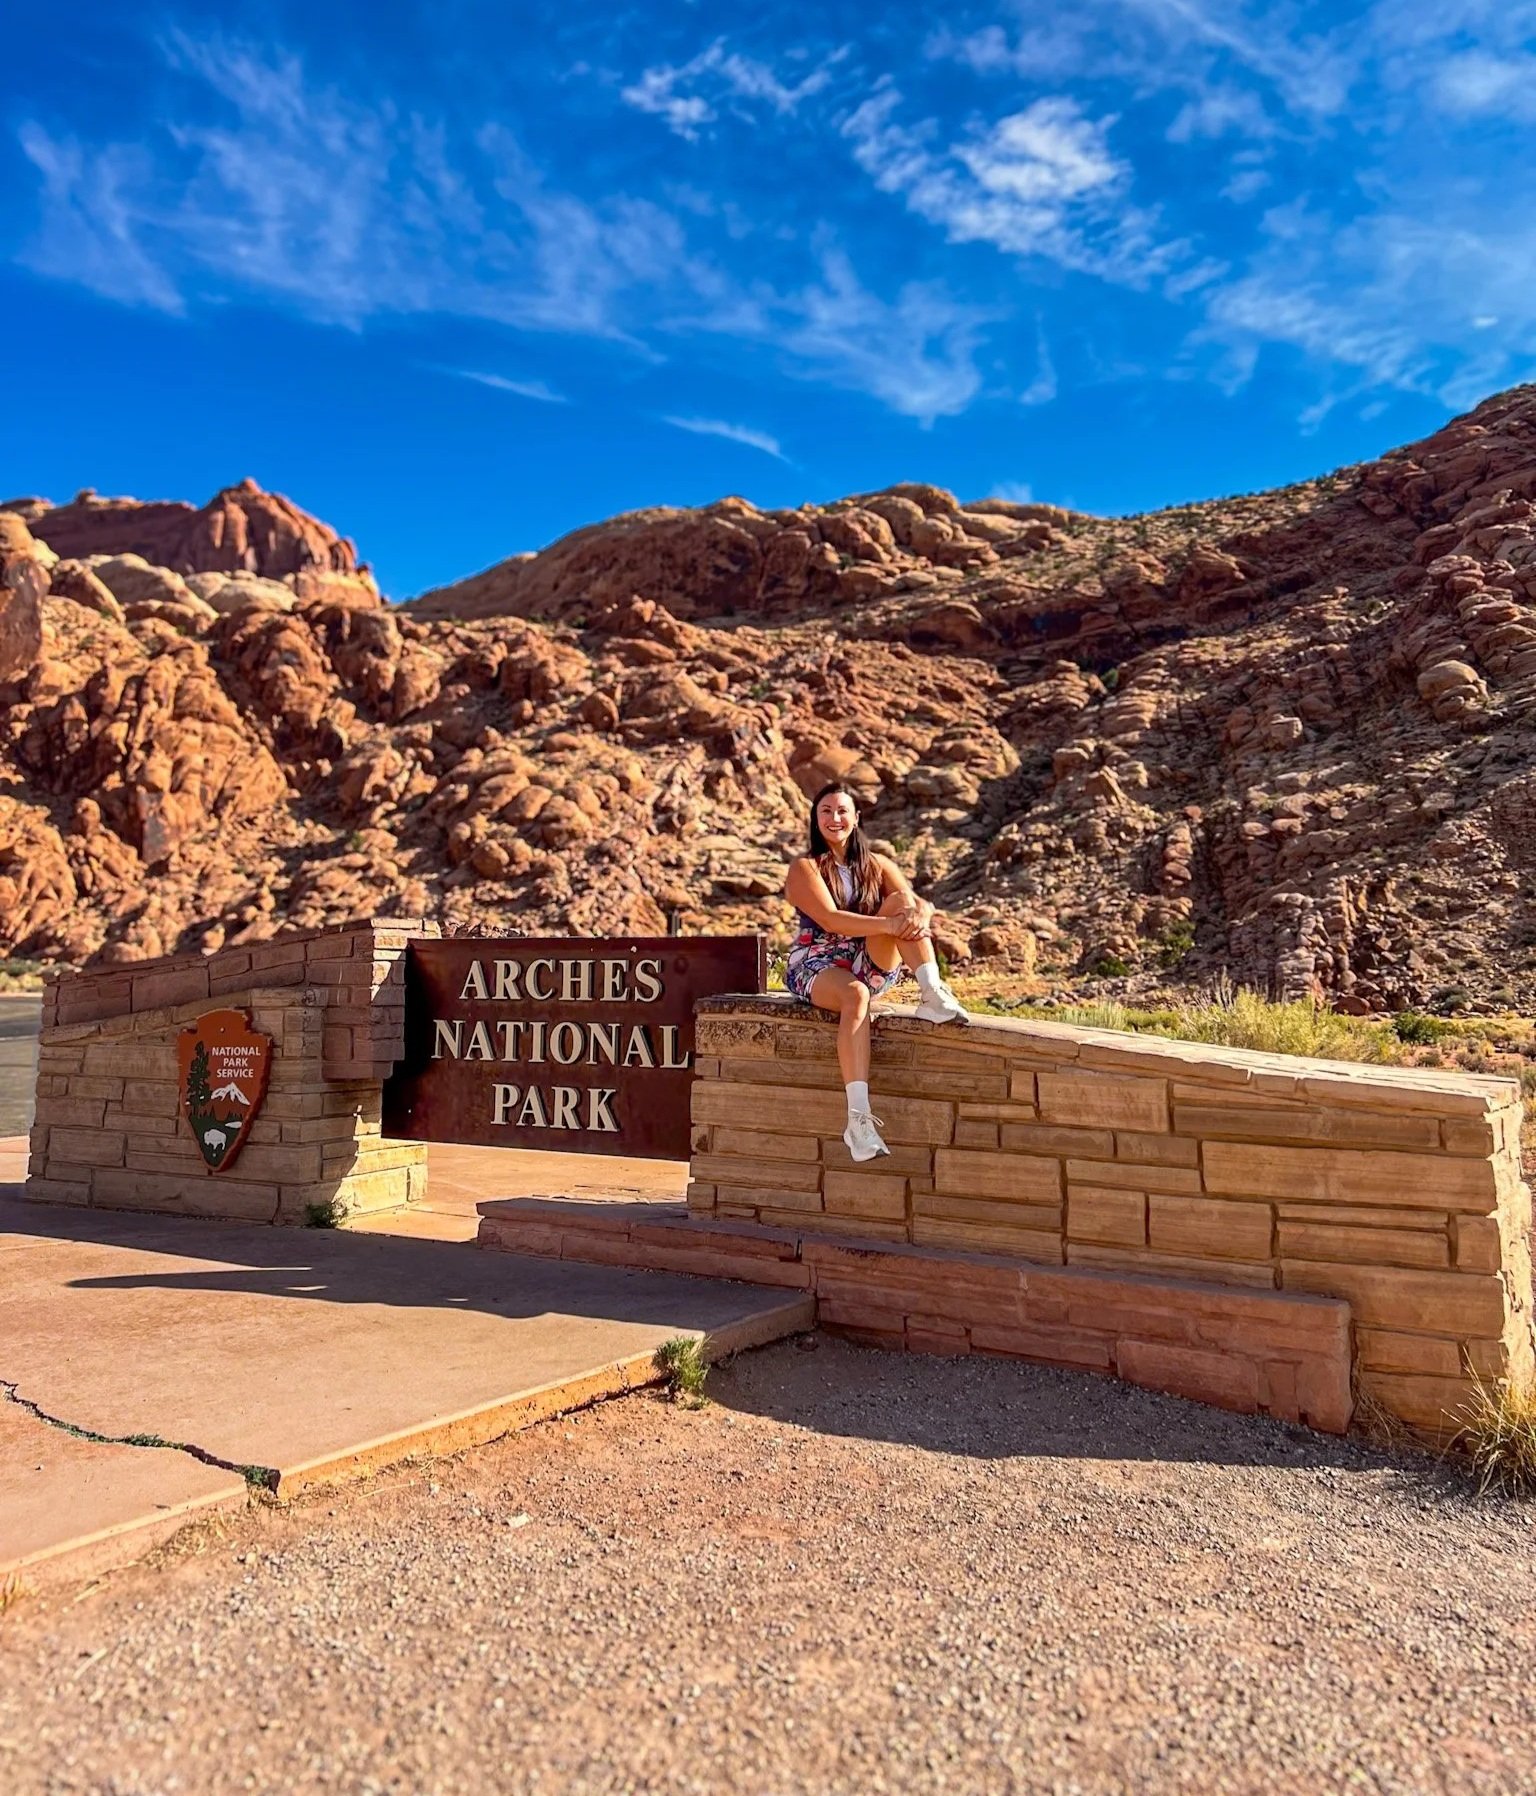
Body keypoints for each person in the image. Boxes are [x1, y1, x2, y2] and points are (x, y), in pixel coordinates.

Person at [783, 781, 967, 1163]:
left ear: (856, 818)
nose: (835, 818)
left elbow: (918, 904)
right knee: (856, 995)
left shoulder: (877, 865)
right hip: (817, 961)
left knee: (901, 901)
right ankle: (858, 1121)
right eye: (826, 811)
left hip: (866, 955)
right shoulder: (805, 868)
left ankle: (931, 993)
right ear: (815, 820)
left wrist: (919, 915)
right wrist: (892, 926)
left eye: (842, 811)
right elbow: (832, 921)